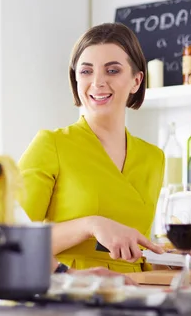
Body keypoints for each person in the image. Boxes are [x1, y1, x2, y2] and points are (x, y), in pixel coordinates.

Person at [18, 23, 167, 273]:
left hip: (135, 296)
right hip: (70, 296)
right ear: (75, 79)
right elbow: (11, 239)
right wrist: (90, 225)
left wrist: (180, 259)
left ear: (136, 80)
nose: (98, 82)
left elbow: (135, 253)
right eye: (86, 71)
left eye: (112, 70)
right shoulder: (51, 145)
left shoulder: (153, 157)